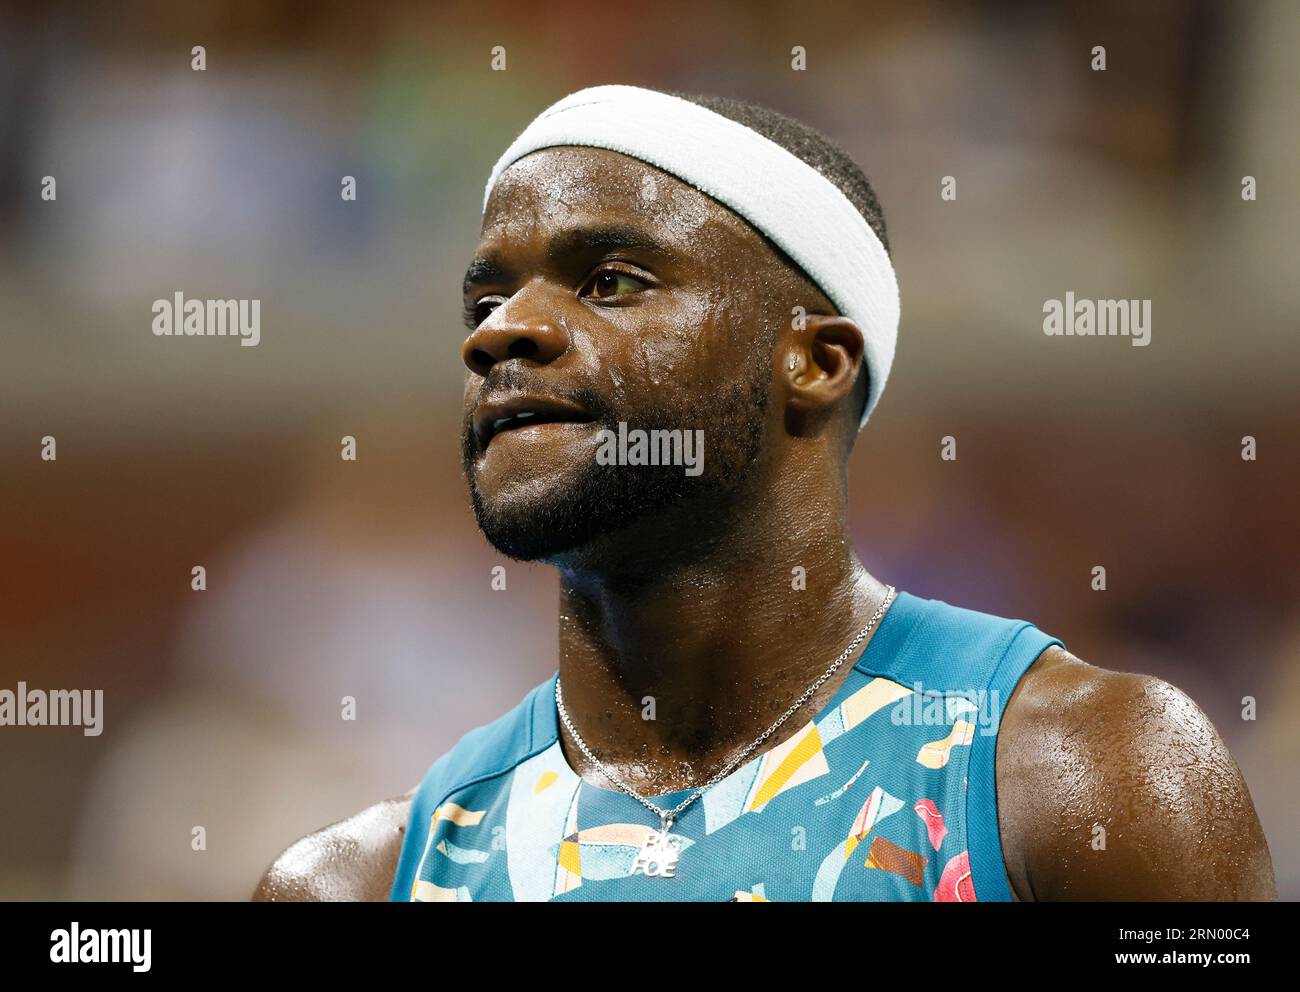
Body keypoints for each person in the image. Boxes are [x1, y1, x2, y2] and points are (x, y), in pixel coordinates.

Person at [254, 85, 1275, 902]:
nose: (498, 333)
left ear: (817, 361)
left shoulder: (1090, 778)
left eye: (609, 279)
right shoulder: (364, 878)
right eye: (484, 299)